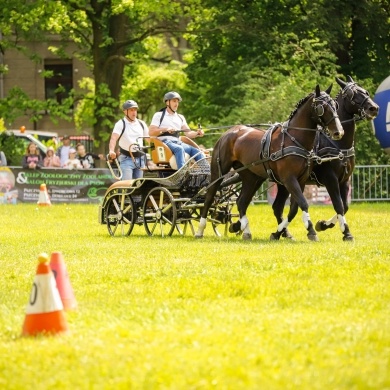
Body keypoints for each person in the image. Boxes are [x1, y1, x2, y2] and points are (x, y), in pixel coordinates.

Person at [149, 91, 205, 170]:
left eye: (177, 101)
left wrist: (197, 133)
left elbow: (188, 133)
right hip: (165, 142)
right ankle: (182, 175)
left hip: (178, 142)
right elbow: (151, 132)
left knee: (196, 151)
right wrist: (165, 129)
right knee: (179, 149)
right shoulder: (159, 115)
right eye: (174, 101)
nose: (176, 104)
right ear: (167, 102)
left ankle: (207, 172)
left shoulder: (180, 117)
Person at [108, 100, 149, 180]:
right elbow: (113, 138)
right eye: (131, 110)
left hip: (140, 159)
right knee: (127, 186)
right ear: (125, 112)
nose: (134, 112)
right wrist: (111, 150)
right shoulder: (120, 124)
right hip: (126, 159)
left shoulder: (141, 124)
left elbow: (149, 139)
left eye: (135, 110)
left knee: (138, 186)